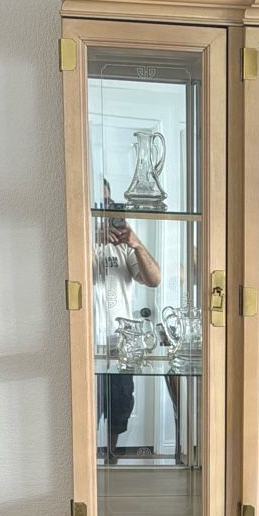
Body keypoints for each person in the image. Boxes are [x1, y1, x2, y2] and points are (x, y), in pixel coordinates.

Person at [94, 179, 162, 464]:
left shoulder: (124, 246)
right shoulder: (79, 239)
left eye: (109, 203)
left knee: (120, 408)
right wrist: (91, 238)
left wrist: (136, 244)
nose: (106, 209)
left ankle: (111, 457)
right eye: (100, 203)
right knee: (88, 409)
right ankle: (88, 465)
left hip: (120, 345)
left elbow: (153, 279)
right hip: (87, 344)